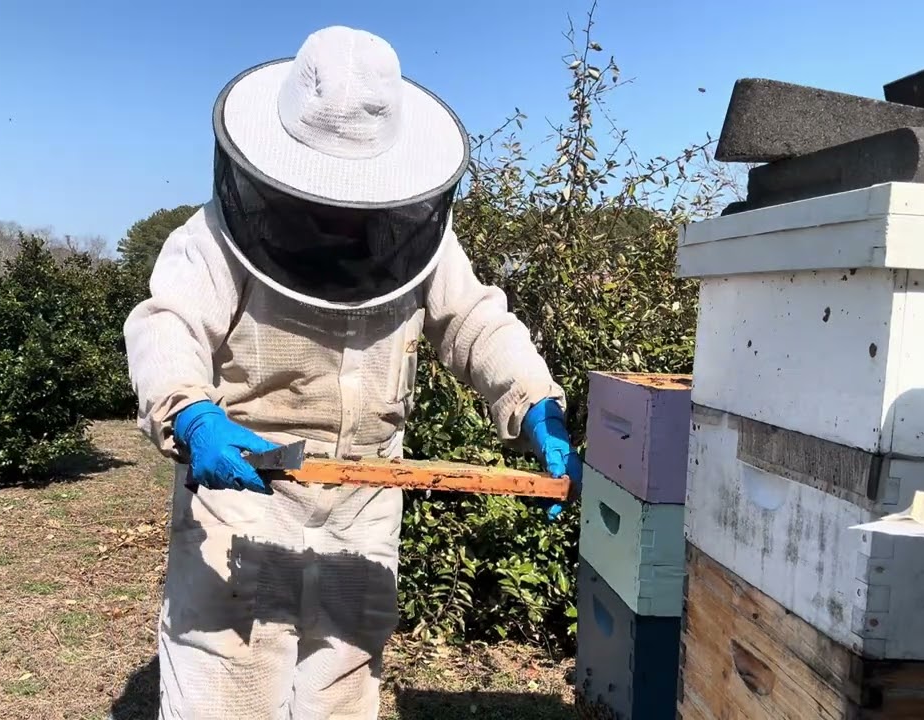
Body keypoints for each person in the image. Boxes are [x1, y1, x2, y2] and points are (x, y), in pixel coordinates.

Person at [124, 24, 583, 720]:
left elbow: (473, 322)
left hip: (366, 503)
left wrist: (535, 400)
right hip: (245, 494)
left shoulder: (419, 239)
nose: (337, 212)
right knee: (225, 693)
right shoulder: (213, 237)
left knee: (343, 690)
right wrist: (189, 412)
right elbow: (168, 325)